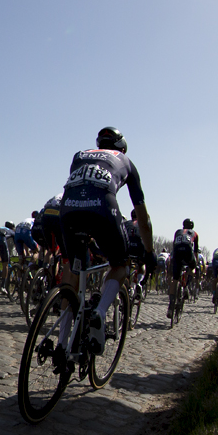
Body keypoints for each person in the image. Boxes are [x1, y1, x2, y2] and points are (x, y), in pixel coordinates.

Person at [56, 127, 155, 356]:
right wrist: (149, 251)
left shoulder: (80, 155)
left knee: (73, 268)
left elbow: (81, 187)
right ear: (122, 148)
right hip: (102, 207)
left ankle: (62, 343)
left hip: (68, 209)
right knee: (120, 265)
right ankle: (100, 312)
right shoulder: (127, 162)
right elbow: (143, 219)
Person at [170, 218, 200, 313]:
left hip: (177, 252)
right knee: (193, 268)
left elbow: (174, 245)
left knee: (175, 280)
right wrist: (195, 264)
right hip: (188, 252)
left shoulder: (177, 231)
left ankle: (171, 305)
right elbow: (195, 251)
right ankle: (186, 286)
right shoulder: (194, 233)